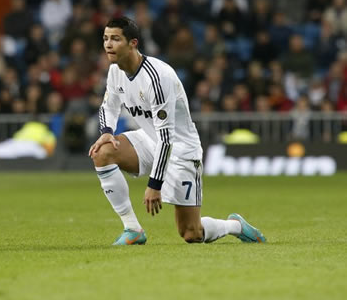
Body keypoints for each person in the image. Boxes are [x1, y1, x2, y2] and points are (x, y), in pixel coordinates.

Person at [89, 17, 267, 245]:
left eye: (115, 39)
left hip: (180, 148)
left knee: (191, 233)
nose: (108, 44)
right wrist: (106, 130)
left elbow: (167, 138)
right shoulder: (115, 71)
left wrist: (155, 185)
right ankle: (132, 229)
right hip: (149, 140)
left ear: (133, 43)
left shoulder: (157, 77)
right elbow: (109, 105)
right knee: (102, 152)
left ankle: (235, 226)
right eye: (105, 38)